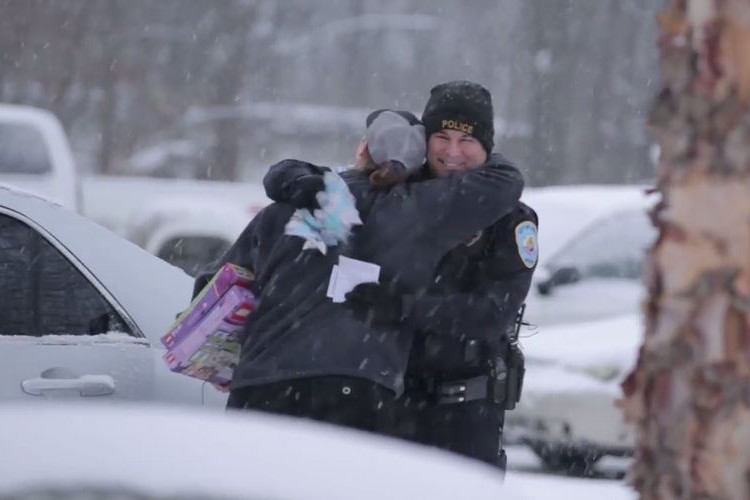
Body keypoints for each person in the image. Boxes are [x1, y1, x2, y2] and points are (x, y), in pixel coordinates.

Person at [194, 108, 525, 434]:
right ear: (417, 163)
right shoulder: (422, 212)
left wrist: (290, 175)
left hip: (259, 385)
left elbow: (212, 287)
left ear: (364, 148)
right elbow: (505, 182)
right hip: (356, 389)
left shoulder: (289, 204)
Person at [344, 81, 538, 471]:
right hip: (386, 404)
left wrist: (403, 307)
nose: (452, 151)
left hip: (463, 411)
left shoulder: (511, 219)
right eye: (441, 136)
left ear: (487, 146)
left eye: (467, 139)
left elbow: (491, 313)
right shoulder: (395, 197)